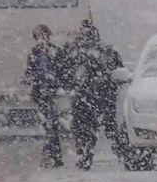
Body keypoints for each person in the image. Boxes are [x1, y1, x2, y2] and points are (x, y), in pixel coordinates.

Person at [61, 19, 124, 170]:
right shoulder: (103, 51)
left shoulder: (77, 52)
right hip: (98, 96)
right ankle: (120, 154)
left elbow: (66, 73)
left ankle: (88, 155)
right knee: (105, 128)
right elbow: (117, 71)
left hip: (89, 96)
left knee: (89, 129)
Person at [24, 25, 65, 168]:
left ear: (48, 36)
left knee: (52, 125)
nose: (41, 39)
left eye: (43, 36)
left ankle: (51, 156)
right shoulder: (33, 55)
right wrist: (30, 79)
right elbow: (28, 73)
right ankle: (54, 156)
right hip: (42, 95)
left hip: (55, 95)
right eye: (38, 37)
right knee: (50, 125)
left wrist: (57, 83)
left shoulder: (57, 52)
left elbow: (64, 72)